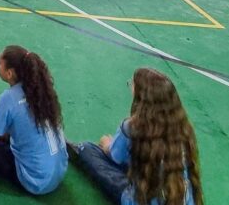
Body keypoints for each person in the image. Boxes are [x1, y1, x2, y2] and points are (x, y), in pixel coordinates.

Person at [68, 68, 203, 205]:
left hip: (141, 199)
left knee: (88, 149)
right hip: (179, 198)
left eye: (132, 84)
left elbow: (114, 156)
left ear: (141, 95)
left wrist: (106, 143)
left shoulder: (132, 127)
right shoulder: (184, 128)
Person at [0, 46, 67, 195]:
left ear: (9, 73)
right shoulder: (43, 90)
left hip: (36, 181)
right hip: (60, 171)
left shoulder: (9, 98)